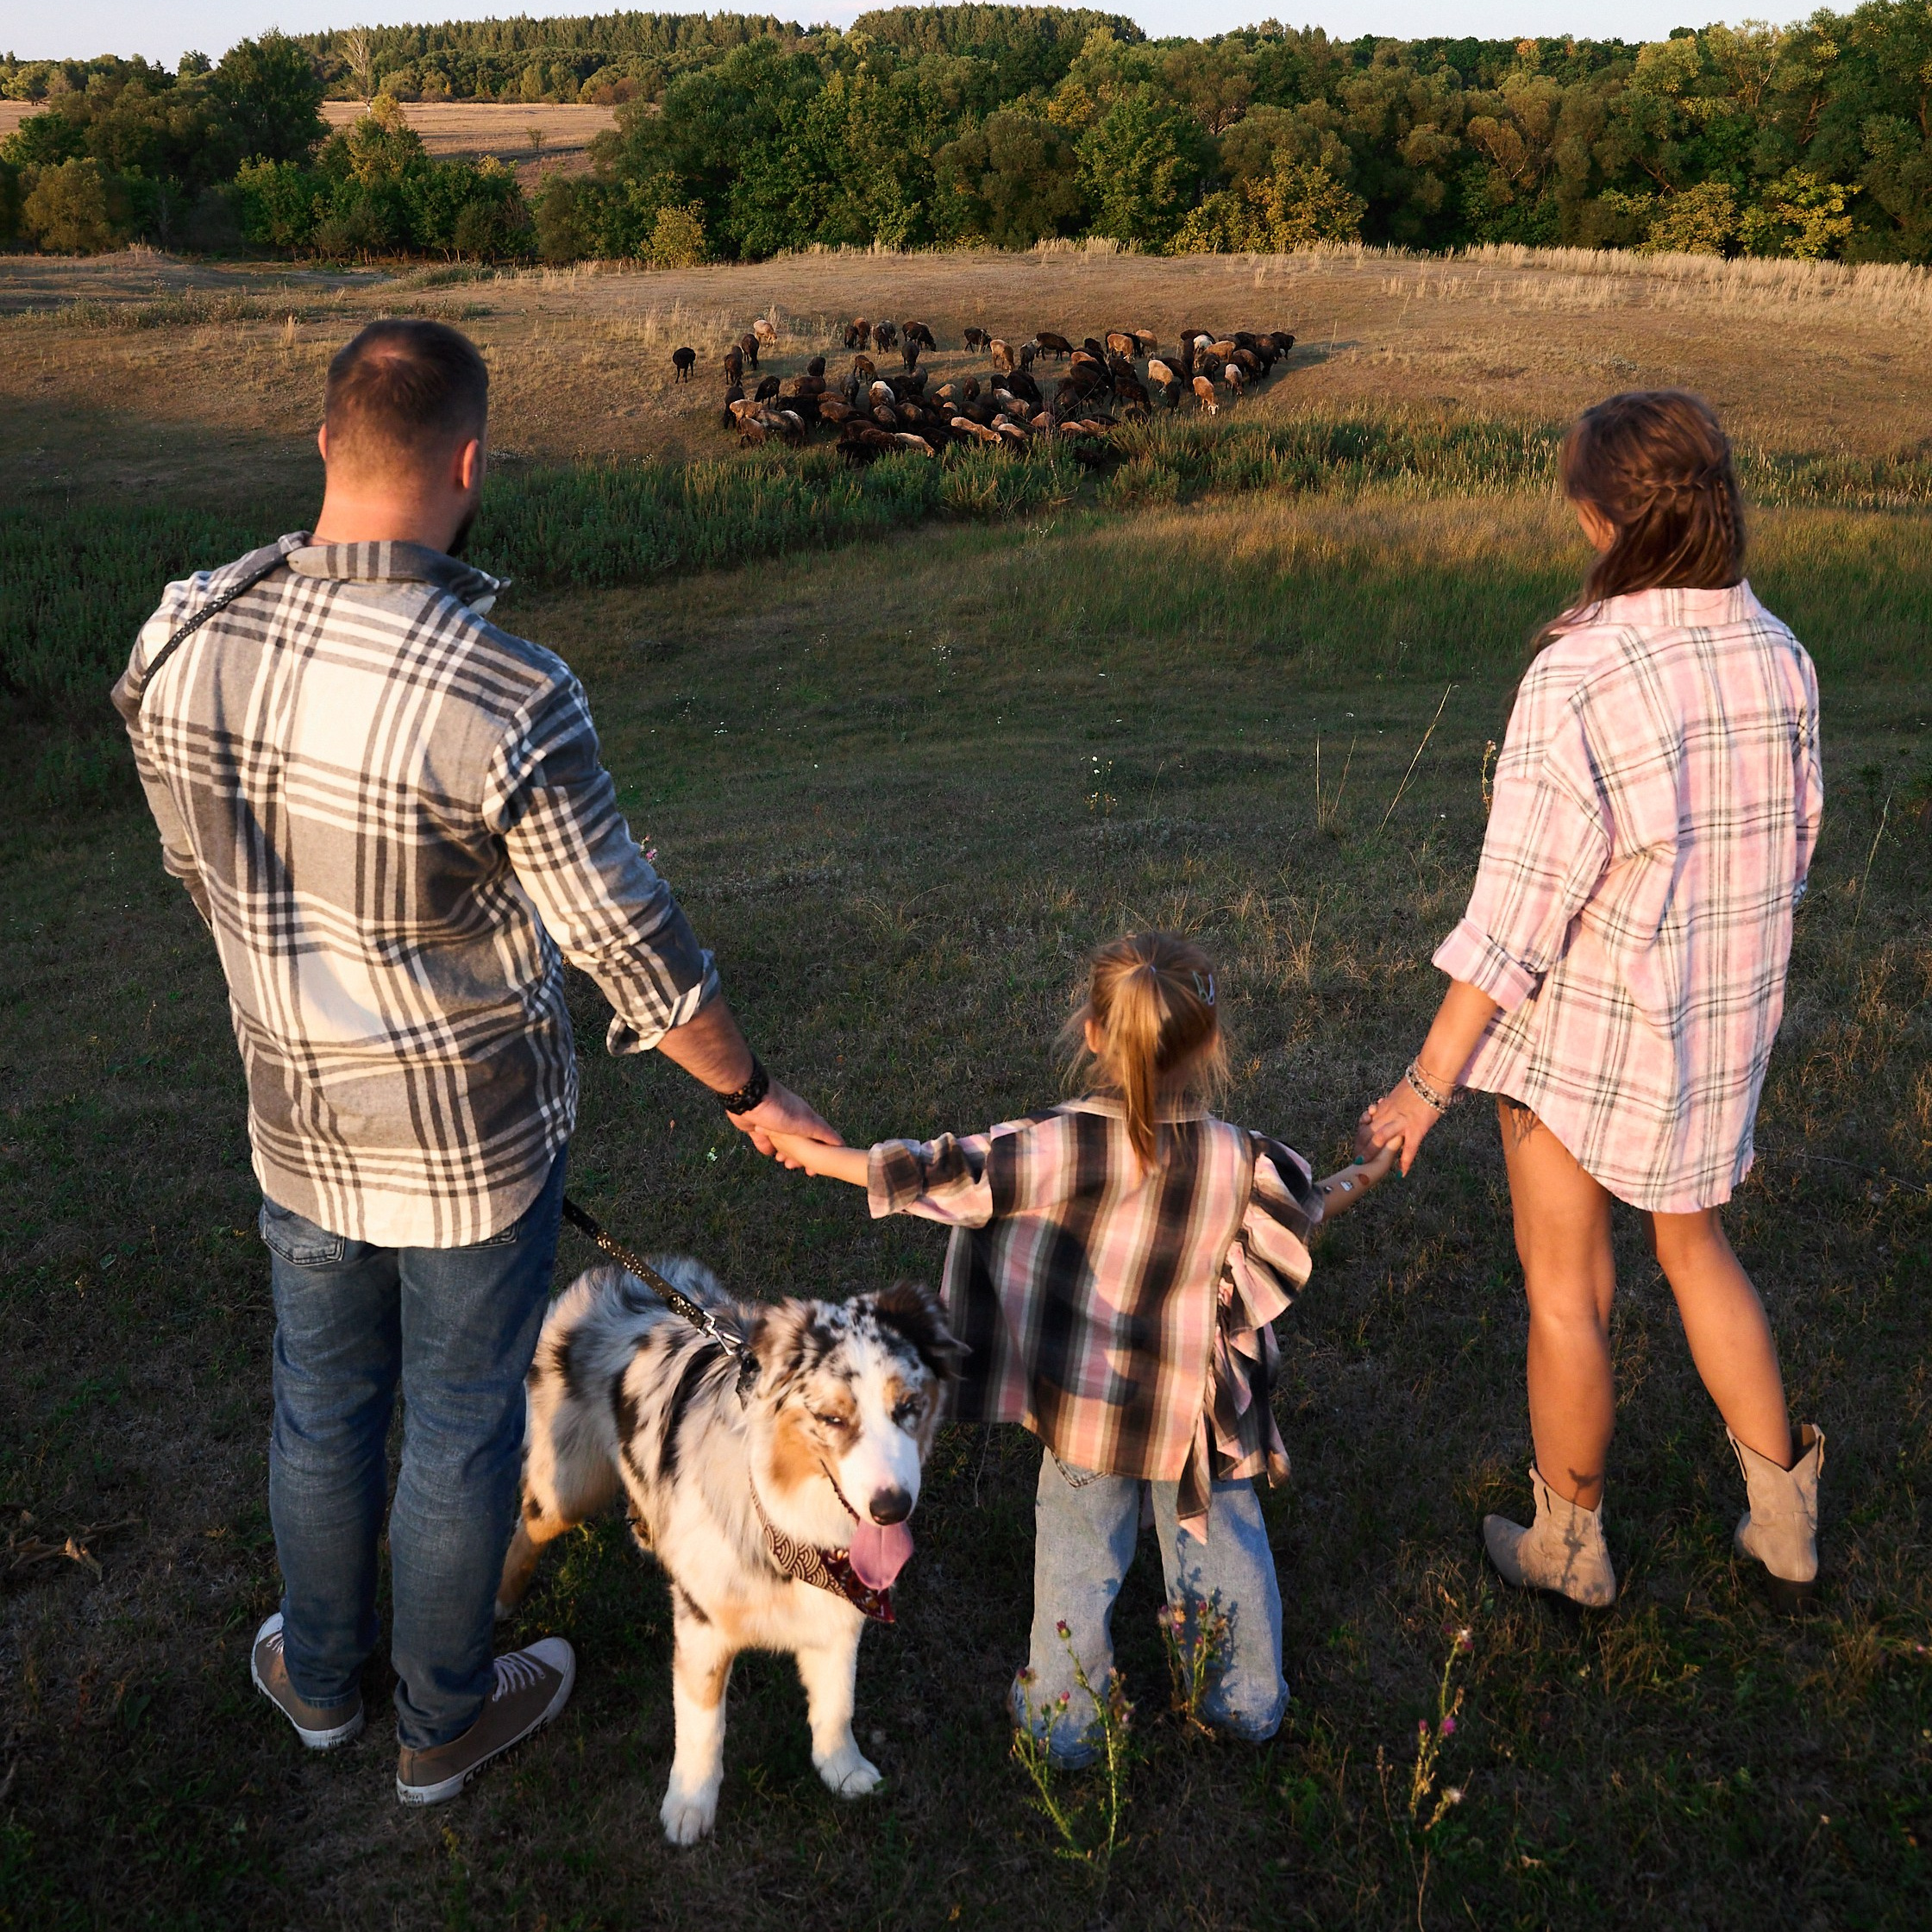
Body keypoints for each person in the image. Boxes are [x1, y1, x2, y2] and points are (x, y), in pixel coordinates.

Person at [110, 319, 837, 1804]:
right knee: (452, 1425)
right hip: (471, 1151)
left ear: (325, 443)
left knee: (321, 1400)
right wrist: (754, 1095)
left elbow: (197, 863)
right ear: (470, 463)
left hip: (293, 1117)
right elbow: (629, 943)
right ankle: (440, 1717)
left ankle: (319, 1684)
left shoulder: (180, 630)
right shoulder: (505, 692)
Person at [1366, 390, 1824, 1611]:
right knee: (1696, 1245)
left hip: (1583, 1033)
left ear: (1602, 515)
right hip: (1717, 1015)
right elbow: (1797, 839)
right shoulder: (1781, 650)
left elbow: (1517, 912)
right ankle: (1785, 1524)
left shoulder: (1583, 672)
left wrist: (1426, 1084)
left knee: (1568, 1293)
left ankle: (1571, 1550)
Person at [772, 932, 1394, 1762]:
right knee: (1222, 1545)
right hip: (1199, 1420)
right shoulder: (1244, 1161)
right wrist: (1372, 1169)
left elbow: (938, 1173)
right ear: (1209, 1043)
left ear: (1094, 1034)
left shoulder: (1049, 1147)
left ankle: (1066, 1725)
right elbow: (1310, 1207)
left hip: (1083, 1415)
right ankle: (1241, 1700)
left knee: (1074, 1560)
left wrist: (818, 1155)